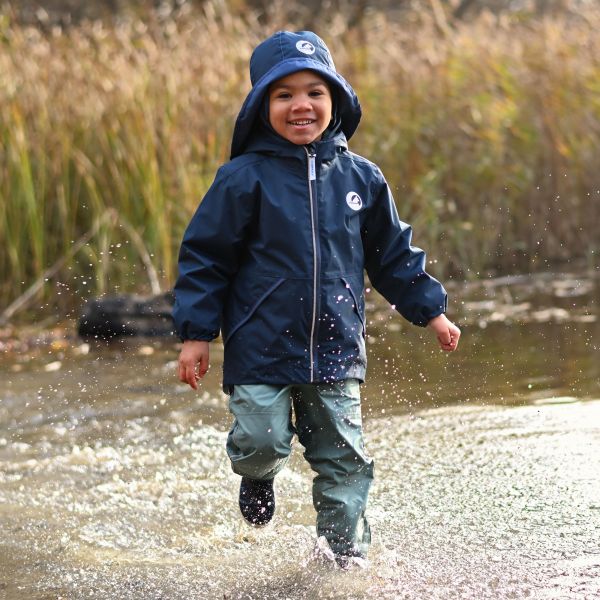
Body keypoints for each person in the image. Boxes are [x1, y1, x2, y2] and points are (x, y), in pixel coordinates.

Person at [173, 30, 460, 567]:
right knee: (262, 438)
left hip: (336, 345)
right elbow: (206, 258)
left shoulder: (361, 179)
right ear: (261, 106)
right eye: (283, 95)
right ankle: (256, 475)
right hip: (259, 345)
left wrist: (431, 310)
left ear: (336, 100)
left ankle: (343, 559)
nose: (300, 104)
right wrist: (195, 334)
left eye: (314, 92)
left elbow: (393, 254)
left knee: (344, 461)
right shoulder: (242, 180)